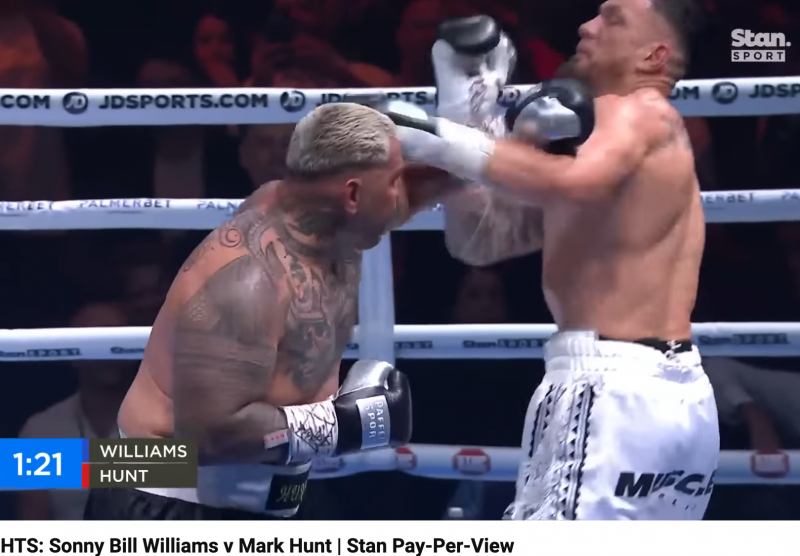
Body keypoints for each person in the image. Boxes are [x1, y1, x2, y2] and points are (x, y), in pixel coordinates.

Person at [385, 4, 717, 520]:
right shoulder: (620, 157)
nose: (586, 26)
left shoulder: (638, 110)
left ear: (654, 56)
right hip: (665, 395)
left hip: (613, 388)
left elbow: (571, 184)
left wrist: (440, 138)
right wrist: (468, 112)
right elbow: (481, 241)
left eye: (613, 20)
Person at [82, 103, 455, 521]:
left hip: (261, 496)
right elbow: (208, 436)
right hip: (166, 500)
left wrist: (481, 151)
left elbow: (427, 187)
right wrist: (346, 423)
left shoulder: (331, 218)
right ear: (353, 194)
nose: (402, 197)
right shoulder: (250, 282)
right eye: (392, 182)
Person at [17, 302, 135, 520]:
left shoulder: (170, 424)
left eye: (116, 339)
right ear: (72, 354)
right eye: (94, 340)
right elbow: (31, 527)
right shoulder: (40, 430)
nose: (107, 352)